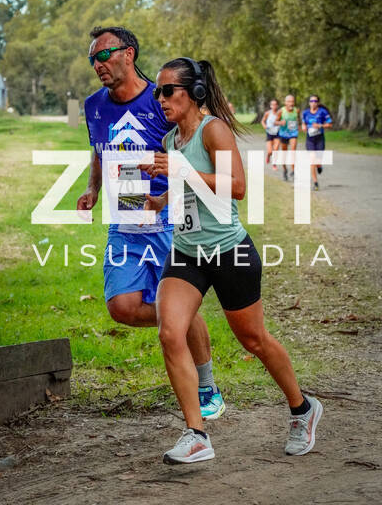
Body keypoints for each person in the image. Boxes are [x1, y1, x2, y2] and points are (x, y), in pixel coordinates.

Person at [143, 57, 323, 464]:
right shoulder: (172, 140)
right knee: (170, 332)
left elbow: (237, 187)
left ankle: (302, 409)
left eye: (168, 90)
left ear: (195, 93)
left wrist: (181, 170)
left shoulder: (213, 130)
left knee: (253, 340)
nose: (161, 98)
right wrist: (159, 201)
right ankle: (196, 435)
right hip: (187, 251)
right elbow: (187, 191)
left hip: (229, 251)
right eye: (157, 92)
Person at [76, 27, 225, 419]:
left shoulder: (162, 100)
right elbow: (99, 151)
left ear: (128, 54)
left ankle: (207, 386)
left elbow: (195, 147)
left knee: (176, 303)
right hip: (125, 216)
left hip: (169, 217)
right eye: (92, 58)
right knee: (122, 307)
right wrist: (92, 189)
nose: (97, 64)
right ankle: (180, 314)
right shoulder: (93, 105)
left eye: (103, 55)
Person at [302, 94, 333, 190]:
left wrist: (320, 126)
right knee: (312, 160)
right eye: (311, 101)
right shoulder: (305, 113)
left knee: (318, 161)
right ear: (309, 103)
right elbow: (303, 123)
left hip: (320, 139)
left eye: (315, 101)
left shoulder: (322, 112)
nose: (313, 103)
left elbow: (330, 124)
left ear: (318, 103)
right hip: (310, 139)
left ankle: (319, 166)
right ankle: (315, 183)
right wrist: (303, 126)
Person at [276, 95, 300, 181]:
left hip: (293, 133)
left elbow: (298, 120)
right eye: (289, 101)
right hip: (283, 134)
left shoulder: (297, 110)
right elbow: (275, 122)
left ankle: (293, 171)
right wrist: (280, 123)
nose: (291, 103)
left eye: (292, 101)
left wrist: (300, 125)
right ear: (285, 102)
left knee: (293, 151)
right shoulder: (281, 111)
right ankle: (285, 170)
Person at [261, 98, 280, 170]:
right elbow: (262, 121)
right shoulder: (267, 113)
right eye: (272, 104)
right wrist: (264, 126)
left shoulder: (279, 113)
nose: (274, 106)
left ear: (277, 105)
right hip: (269, 133)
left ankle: (274, 165)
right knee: (270, 151)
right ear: (270, 106)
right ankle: (268, 156)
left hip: (277, 133)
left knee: (275, 150)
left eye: (275, 104)